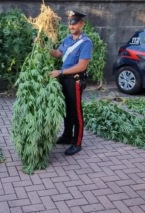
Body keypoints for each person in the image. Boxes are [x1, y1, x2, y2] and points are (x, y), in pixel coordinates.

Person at [50, 10, 93, 156]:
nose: (72, 25)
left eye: (75, 22)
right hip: (64, 79)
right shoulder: (68, 39)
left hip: (75, 80)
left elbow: (82, 66)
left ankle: (77, 142)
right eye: (70, 23)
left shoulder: (86, 43)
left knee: (76, 112)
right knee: (66, 109)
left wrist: (60, 72)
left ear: (82, 23)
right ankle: (67, 135)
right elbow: (58, 54)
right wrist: (44, 47)